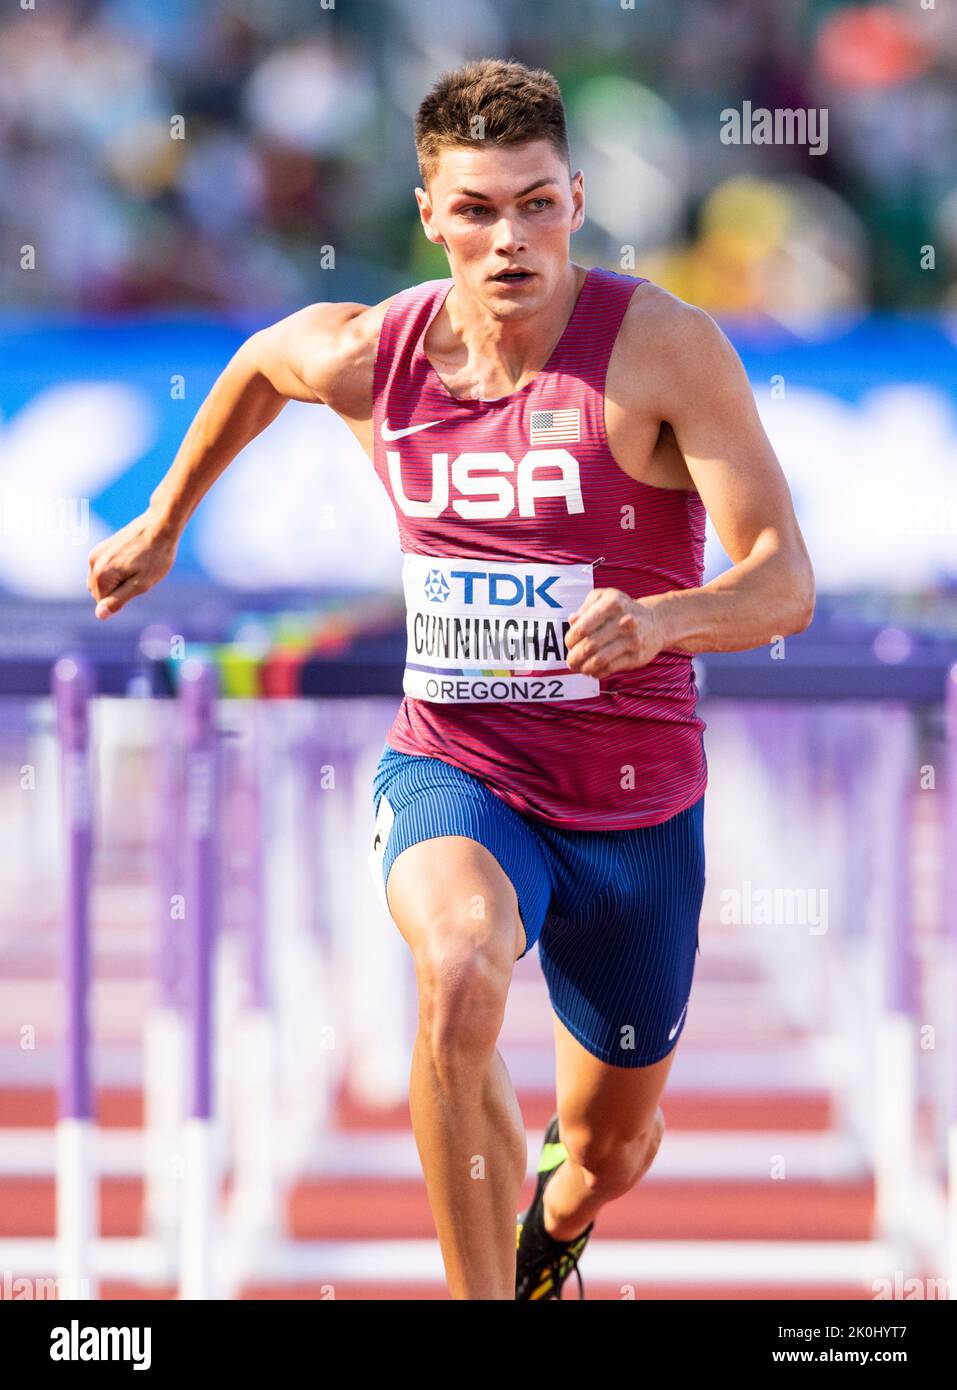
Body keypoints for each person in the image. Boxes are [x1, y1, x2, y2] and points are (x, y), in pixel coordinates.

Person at [87, 57, 815, 1301]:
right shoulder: (386, 352)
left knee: (611, 1150)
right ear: (432, 217)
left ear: (578, 199)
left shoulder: (663, 349)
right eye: (476, 210)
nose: (510, 240)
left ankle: (557, 1225)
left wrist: (664, 620)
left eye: (536, 204)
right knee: (460, 965)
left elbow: (783, 580)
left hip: (635, 810)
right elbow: (267, 359)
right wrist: (162, 519)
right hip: (458, 768)